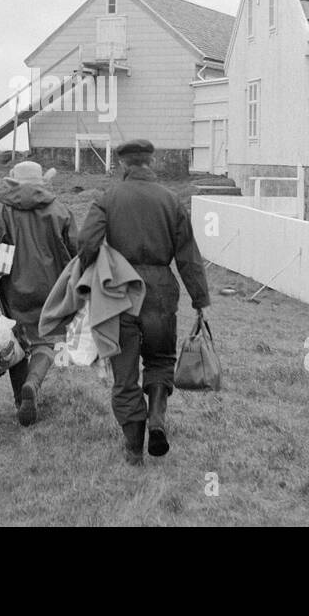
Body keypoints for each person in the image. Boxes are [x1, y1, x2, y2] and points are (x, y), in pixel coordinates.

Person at [76, 140, 210, 465]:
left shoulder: (107, 199)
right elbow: (188, 256)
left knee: (124, 373)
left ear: (123, 165)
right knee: (161, 360)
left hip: (120, 291)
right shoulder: (172, 201)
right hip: (162, 291)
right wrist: (200, 299)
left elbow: (87, 243)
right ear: (151, 161)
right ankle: (157, 419)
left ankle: (134, 448)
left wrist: (86, 277)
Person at [0, 160, 77, 426]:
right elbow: (80, 253)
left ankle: (21, 400)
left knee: (16, 341)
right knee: (47, 341)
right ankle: (33, 384)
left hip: (14, 289)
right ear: (41, 181)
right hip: (53, 291)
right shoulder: (60, 211)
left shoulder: (4, 212)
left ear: (14, 180)